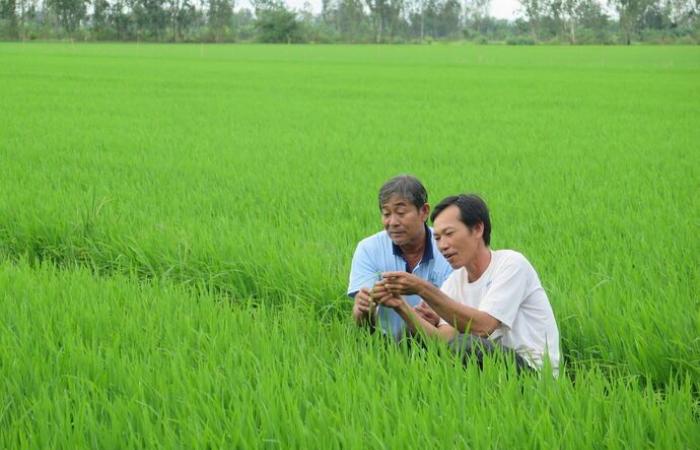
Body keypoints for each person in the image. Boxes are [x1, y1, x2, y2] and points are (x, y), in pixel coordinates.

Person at [373, 194, 560, 376]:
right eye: (437, 238)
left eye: (449, 234)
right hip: (491, 371)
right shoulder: (455, 281)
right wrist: (401, 307)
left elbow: (483, 327)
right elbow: (445, 341)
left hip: (533, 373)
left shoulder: (511, 264)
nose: (443, 245)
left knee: (467, 345)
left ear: (478, 229)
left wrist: (422, 288)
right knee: (410, 335)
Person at [348, 175, 453, 342]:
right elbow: (364, 328)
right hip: (385, 346)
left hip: (438, 344)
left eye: (401, 213)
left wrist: (440, 318)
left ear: (424, 211)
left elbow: (460, 314)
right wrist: (363, 310)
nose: (392, 222)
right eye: (386, 213)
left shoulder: (449, 248)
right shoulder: (368, 249)